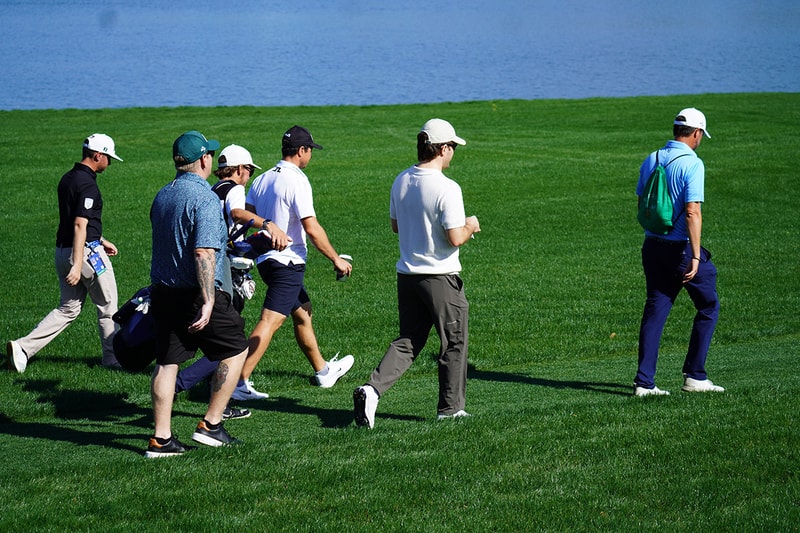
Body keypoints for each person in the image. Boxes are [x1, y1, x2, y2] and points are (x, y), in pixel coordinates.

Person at [354, 118, 480, 429]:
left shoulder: (402, 180)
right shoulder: (448, 188)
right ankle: (451, 409)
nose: (453, 153)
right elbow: (454, 237)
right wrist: (471, 226)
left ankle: (371, 390)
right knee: (454, 340)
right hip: (440, 276)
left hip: (407, 275)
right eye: (452, 147)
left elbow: (396, 226)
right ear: (442, 148)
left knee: (409, 339)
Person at [145, 130, 249, 458]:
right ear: (204, 159)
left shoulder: (163, 195)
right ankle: (211, 425)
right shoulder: (203, 197)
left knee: (167, 363)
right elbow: (204, 253)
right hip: (194, 293)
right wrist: (208, 301)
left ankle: (161, 439)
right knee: (236, 348)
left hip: (163, 291)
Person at [173, 144, 290, 415]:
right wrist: (267, 225)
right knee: (231, 340)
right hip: (224, 270)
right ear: (238, 169)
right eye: (248, 169)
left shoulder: (213, 190)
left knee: (222, 336)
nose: (248, 174)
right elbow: (237, 215)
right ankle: (197, 390)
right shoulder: (236, 189)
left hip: (209, 264)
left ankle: (194, 385)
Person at [242, 125, 354, 393]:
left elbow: (246, 217)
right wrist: (336, 259)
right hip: (287, 263)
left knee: (303, 312)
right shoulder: (297, 180)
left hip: (266, 261)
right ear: (301, 150)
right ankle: (237, 380)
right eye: (310, 151)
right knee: (270, 321)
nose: (311, 156)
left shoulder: (263, 178)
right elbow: (312, 229)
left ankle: (323, 371)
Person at [6, 134, 123, 373]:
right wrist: (78, 264)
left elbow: (74, 220)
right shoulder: (88, 185)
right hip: (86, 255)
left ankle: (22, 348)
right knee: (108, 305)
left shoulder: (68, 178)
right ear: (98, 155)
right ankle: (112, 360)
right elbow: (80, 224)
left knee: (68, 308)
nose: (109, 163)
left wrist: (100, 238)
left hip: (63, 250)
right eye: (108, 158)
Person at [634, 108, 724, 397]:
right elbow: (692, 211)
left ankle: (644, 383)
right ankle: (695, 376)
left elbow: (641, 201)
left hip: (652, 247)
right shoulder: (693, 164)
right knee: (708, 306)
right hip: (680, 251)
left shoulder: (653, 158)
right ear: (696, 133)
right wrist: (696, 256)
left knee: (655, 312)